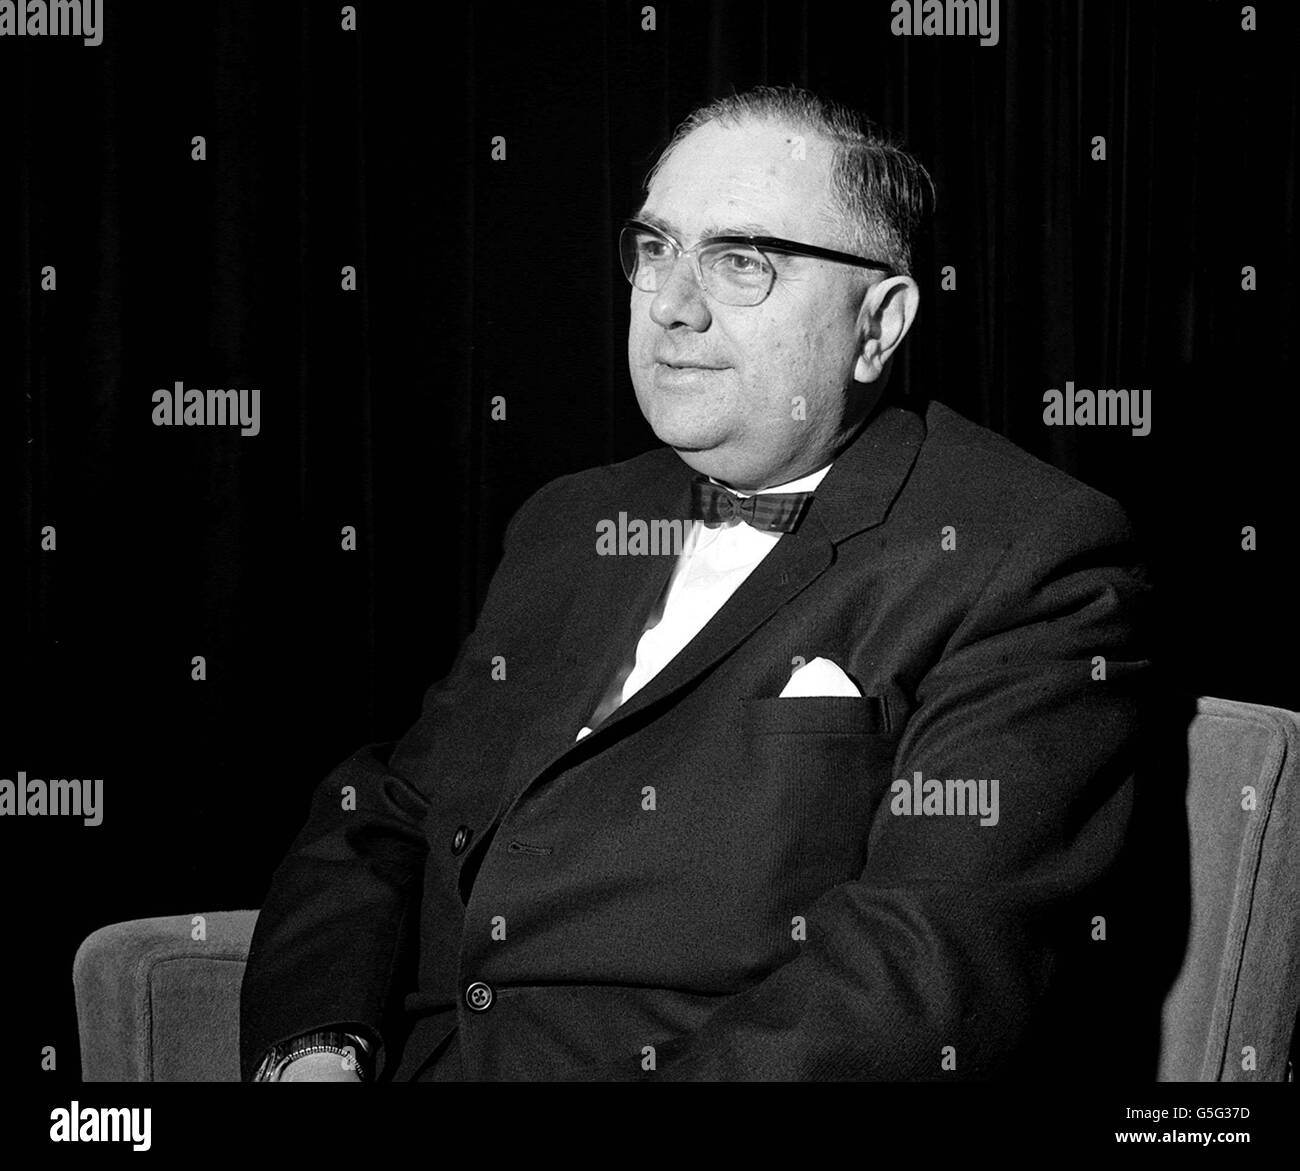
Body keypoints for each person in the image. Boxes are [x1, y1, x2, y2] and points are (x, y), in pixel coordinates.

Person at [240, 85, 1153, 1082]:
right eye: (655, 248)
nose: (672, 303)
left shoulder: (1021, 551)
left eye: (741, 260)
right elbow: (386, 806)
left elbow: (918, 975)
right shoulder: (570, 520)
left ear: (878, 324)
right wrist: (317, 1047)